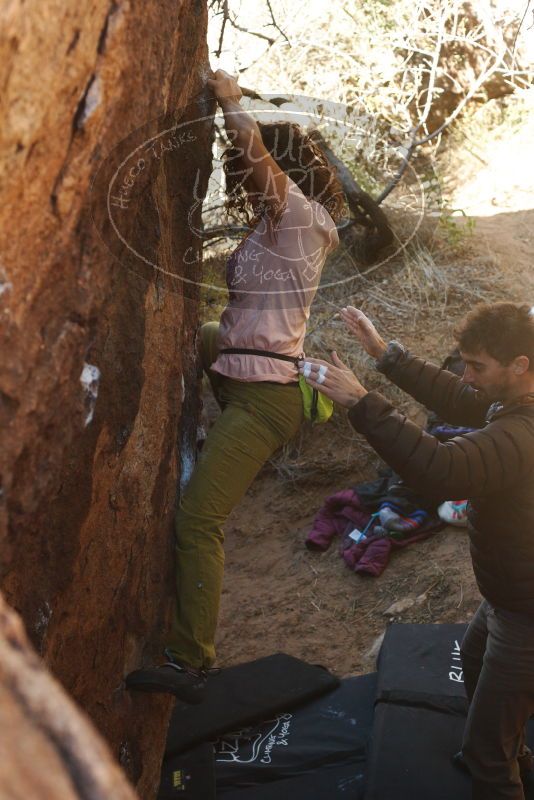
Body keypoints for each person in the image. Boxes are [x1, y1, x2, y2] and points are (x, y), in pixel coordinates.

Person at [125, 70, 344, 702]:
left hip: (266, 397)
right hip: (243, 363)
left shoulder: (301, 216)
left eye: (254, 171)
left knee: (199, 518)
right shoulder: (279, 226)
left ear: (286, 170)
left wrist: (229, 101)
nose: (243, 178)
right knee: (199, 334)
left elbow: (254, 153)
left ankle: (192, 659)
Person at [299, 302, 534, 800]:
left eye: (478, 366)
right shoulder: (513, 398)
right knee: (474, 662)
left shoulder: (523, 435)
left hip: (526, 611)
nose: (466, 375)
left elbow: (440, 469)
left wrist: (363, 402)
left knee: (487, 755)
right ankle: (512, 753)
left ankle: (498, 765)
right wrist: (387, 355)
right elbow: (457, 396)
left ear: (520, 365)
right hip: (509, 595)